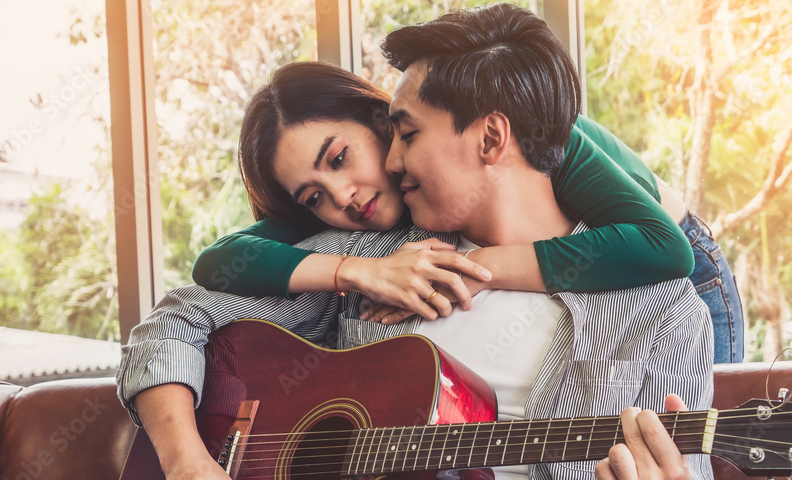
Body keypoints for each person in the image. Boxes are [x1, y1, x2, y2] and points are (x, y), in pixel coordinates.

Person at [101, 5, 736, 480]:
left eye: (403, 132)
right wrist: (187, 466)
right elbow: (178, 317)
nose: (388, 163)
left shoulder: (659, 303)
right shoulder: (379, 259)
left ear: (492, 138)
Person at [189, 64, 745, 363]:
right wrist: (356, 271)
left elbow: (661, 249)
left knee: (700, 458)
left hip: (679, 271)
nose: (342, 196)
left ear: (381, 120)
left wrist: (477, 271)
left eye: (339, 158)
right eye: (312, 196)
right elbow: (220, 261)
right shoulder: (349, 213)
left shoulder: (526, 132)